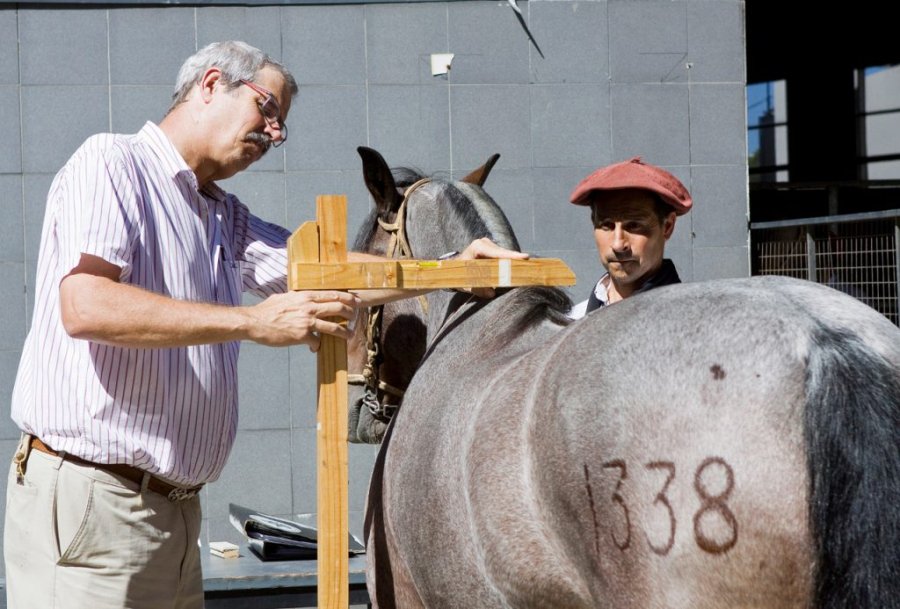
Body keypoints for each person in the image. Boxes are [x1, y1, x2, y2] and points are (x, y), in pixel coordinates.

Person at [3, 40, 526, 609]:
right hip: (94, 500)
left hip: (175, 510)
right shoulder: (111, 164)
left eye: (281, 125)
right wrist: (251, 321)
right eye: (267, 110)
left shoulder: (222, 214)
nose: (275, 134)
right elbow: (85, 305)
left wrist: (444, 272)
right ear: (210, 84)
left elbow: (330, 275)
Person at [567, 156, 693, 319]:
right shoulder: (572, 320)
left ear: (668, 226)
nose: (618, 244)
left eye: (634, 225)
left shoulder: (690, 320)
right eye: (607, 225)